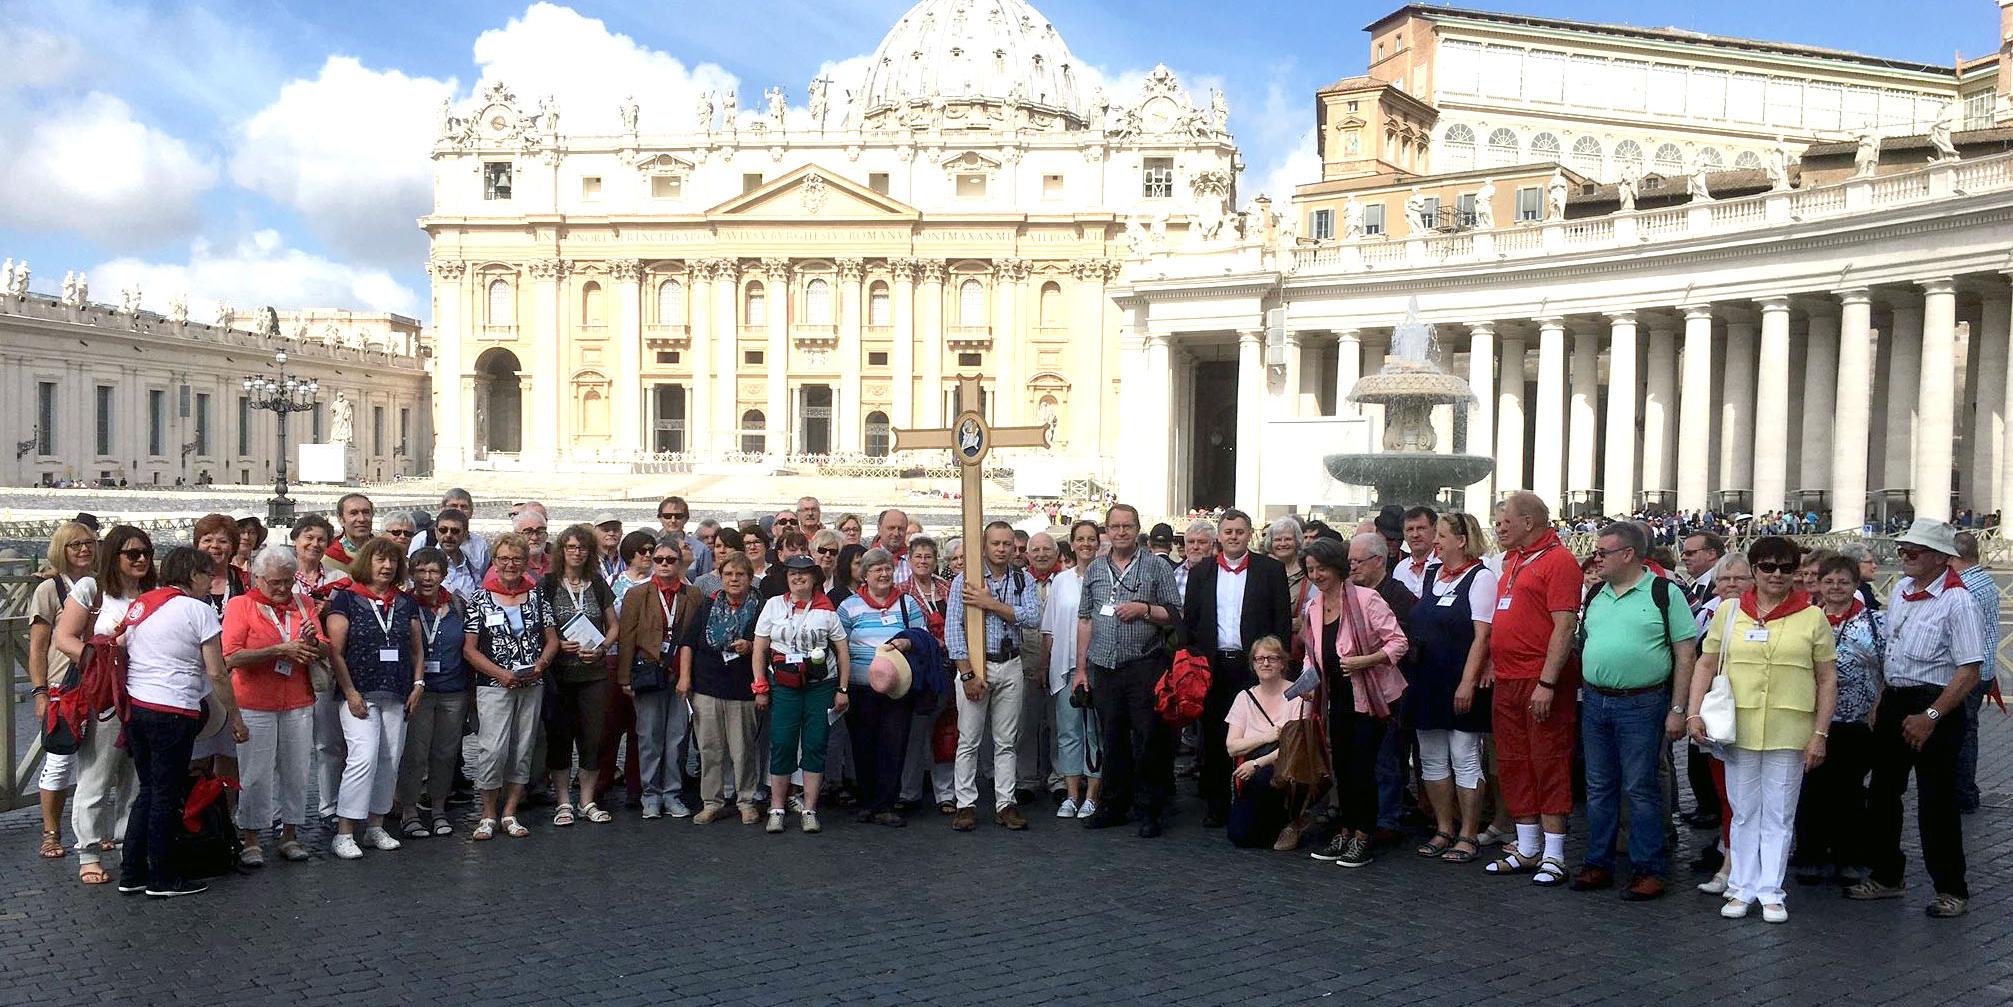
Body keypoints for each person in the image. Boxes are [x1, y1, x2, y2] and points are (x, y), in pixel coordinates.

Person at [1687, 536, 1836, 923]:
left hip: (1791, 727)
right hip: (1740, 725)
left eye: (1786, 568)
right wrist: (1693, 712)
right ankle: (1741, 886)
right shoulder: (1730, 611)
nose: (1777, 575)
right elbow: (1706, 664)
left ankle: (1771, 889)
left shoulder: (1812, 616)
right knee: (1743, 811)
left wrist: (1820, 733)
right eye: (1768, 567)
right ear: (1754, 570)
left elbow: (1827, 679)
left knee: (1779, 814)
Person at [1849, 519, 1986, 919]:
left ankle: (1951, 888)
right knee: (1883, 793)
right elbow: (1892, 653)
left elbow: (1969, 670)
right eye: (1904, 550)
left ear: (1941, 559)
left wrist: (1930, 715)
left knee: (1936, 801)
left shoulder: (1958, 602)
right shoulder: (1905, 591)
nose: (1904, 557)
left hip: (1936, 703)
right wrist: (1880, 701)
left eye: (1914, 552)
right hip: (1895, 698)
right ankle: (1888, 875)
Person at [106, 547, 247, 896]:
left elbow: (121, 646)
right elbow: (216, 672)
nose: (210, 582)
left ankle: (132, 872)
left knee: (149, 791)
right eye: (207, 575)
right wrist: (235, 715)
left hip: (138, 706)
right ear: (194, 575)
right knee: (166, 795)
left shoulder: (142, 605)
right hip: (174, 709)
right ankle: (164, 876)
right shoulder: (198, 611)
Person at [1571, 521, 1698, 901]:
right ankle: (1598, 861)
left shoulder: (1664, 593)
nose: (1596, 559)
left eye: (1603, 553)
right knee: (1598, 786)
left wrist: (1678, 708)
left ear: (1627, 554)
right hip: (1596, 700)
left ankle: (1649, 867)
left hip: (1643, 702)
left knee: (1640, 787)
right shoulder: (1596, 594)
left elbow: (1685, 653)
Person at [1483, 490, 1583, 887]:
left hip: (1540, 681)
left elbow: (1564, 625)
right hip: (1507, 679)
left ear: (1528, 522)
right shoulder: (1512, 561)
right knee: (1513, 760)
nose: (1499, 527)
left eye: (1505, 520)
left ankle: (1555, 854)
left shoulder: (1558, 560)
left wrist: (1547, 680)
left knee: (1548, 760)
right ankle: (1526, 847)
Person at [1073, 504, 1182, 838]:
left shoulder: (1155, 567)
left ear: (1138, 530)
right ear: (1107, 531)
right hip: (1105, 667)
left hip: (1144, 665)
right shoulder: (1094, 570)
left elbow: (1174, 613)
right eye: (1115, 527)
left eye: (1128, 526)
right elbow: (1086, 619)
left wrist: (1145, 609)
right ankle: (1113, 805)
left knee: (1148, 738)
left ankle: (1149, 808)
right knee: (1112, 737)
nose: (1121, 532)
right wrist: (1081, 670)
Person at [1300, 537, 1409, 869]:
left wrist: (1366, 660)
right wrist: (1308, 681)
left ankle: (1363, 835)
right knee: (1343, 768)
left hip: (1372, 698)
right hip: (1336, 698)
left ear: (1338, 568)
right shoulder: (1314, 607)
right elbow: (1311, 653)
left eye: (1322, 569)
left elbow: (1398, 643)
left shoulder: (1367, 599)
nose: (1317, 576)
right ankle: (1345, 830)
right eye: (1311, 570)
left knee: (1363, 769)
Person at [51, 524, 151, 886]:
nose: (141, 559)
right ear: (114, 556)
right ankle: (89, 851)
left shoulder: (154, 593)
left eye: (146, 553)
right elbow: (63, 638)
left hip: (145, 694)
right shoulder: (91, 589)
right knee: (96, 774)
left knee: (137, 777)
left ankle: (129, 844)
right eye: (132, 553)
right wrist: (101, 663)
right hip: (104, 696)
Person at [1182, 508, 1292, 829]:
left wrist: (1276, 667)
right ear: (1220, 535)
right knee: (1215, 739)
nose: (1233, 537)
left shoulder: (1270, 570)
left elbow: (1281, 622)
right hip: (1214, 668)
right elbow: (1192, 620)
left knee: (1258, 737)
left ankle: (1253, 803)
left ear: (1249, 534)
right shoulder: (1201, 572)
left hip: (1254, 668)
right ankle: (1217, 805)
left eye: (1239, 531)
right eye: (1228, 531)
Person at [1404, 512, 1498, 865]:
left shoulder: (1480, 578)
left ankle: (1468, 832)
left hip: (1459, 680)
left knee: (1465, 756)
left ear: (1461, 540)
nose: (1436, 541)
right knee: (1431, 758)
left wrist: (1468, 682)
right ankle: (1444, 826)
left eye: (1441, 535)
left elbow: (1482, 635)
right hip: (1426, 679)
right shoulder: (1432, 574)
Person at [323, 538, 424, 860]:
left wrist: (418, 683)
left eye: (393, 561)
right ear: (368, 561)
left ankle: (376, 825)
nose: (387, 566)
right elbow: (335, 652)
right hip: (360, 692)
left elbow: (416, 648)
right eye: (380, 560)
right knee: (362, 757)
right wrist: (350, 692)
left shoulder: (405, 602)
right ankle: (345, 831)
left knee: (389, 758)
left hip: (397, 691)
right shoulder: (347, 600)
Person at [224, 544, 322, 865]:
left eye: (287, 581)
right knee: (255, 771)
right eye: (274, 582)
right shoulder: (241, 606)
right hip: (254, 700)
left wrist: (310, 644)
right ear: (257, 578)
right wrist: (280, 650)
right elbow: (232, 656)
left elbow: (322, 648)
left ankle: (290, 834)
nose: (282, 589)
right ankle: (251, 836)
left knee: (296, 770)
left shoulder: (303, 602)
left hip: (297, 698)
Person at [946, 522, 1043, 831]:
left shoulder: (1022, 579)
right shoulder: (965, 580)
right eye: (996, 544)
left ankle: (1005, 802)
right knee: (969, 740)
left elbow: (1032, 617)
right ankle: (965, 803)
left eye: (1007, 544)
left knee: (1006, 741)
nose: (1001, 549)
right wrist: (967, 674)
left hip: (1010, 663)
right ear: (984, 546)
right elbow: (954, 631)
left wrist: (992, 605)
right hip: (977, 664)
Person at [463, 532, 559, 840]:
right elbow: (469, 649)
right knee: (492, 749)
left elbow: (552, 640)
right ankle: (488, 813)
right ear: (494, 562)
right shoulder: (480, 599)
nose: (510, 565)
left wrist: (541, 666)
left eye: (517, 558)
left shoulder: (537, 596)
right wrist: (500, 673)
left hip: (532, 682)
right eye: (503, 558)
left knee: (523, 748)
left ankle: (510, 812)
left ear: (525, 562)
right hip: (494, 685)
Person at [1797, 553, 1884, 886]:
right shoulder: (1806, 619)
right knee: (1812, 789)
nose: (1835, 588)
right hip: (1812, 716)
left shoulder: (1875, 622)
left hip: (1857, 719)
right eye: (1828, 581)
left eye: (1843, 582)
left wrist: (1879, 704)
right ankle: (1811, 855)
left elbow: (1887, 670)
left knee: (1849, 791)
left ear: (1855, 585)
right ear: (1818, 584)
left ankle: (1850, 856)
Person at [752, 555, 851, 834]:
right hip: (784, 685)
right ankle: (777, 808)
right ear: (786, 578)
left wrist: (843, 688)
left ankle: (809, 809)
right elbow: (759, 648)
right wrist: (760, 685)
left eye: (804, 574)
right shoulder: (773, 605)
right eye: (793, 574)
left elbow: (842, 650)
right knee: (782, 743)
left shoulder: (826, 609)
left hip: (820, 687)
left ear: (814, 578)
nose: (798, 578)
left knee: (815, 743)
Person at [614, 533, 703, 820]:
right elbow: (626, 637)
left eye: (670, 560)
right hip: (647, 672)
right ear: (652, 562)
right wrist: (624, 677)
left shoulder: (693, 595)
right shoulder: (637, 594)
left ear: (680, 563)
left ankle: (673, 793)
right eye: (659, 560)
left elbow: (697, 638)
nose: (664, 564)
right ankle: (650, 794)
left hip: (680, 673)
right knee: (648, 736)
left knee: (677, 737)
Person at [838, 548, 928, 825]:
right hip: (860, 688)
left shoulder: (907, 603)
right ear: (865, 575)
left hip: (896, 689)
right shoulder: (849, 607)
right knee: (863, 746)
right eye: (877, 569)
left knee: (893, 745)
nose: (884, 573)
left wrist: (906, 642)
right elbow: (838, 646)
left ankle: (886, 803)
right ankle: (868, 801)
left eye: (887, 568)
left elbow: (922, 637)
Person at [538, 524, 618, 826]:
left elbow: (614, 626)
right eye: (570, 547)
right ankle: (562, 802)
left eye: (582, 547)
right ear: (561, 551)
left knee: (593, 738)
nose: (576, 552)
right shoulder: (546, 585)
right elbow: (539, 628)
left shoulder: (597, 584)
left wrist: (601, 648)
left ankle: (586, 800)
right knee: (559, 738)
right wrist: (558, 644)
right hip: (559, 675)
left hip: (593, 674)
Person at [27, 522, 96, 860]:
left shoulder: (102, 582)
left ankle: (91, 831)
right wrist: (39, 692)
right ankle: (51, 833)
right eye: (75, 545)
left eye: (89, 543)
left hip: (99, 683)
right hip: (63, 684)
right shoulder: (49, 589)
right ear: (61, 550)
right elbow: (37, 648)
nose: (84, 549)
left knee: (96, 760)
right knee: (58, 759)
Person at [683, 552, 764, 824]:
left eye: (740, 574)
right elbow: (688, 643)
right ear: (720, 576)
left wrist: (751, 646)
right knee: (710, 748)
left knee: (743, 750)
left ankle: (746, 801)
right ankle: (711, 801)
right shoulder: (707, 606)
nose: (734, 579)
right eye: (728, 574)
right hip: (706, 686)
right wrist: (685, 678)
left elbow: (770, 644)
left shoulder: (761, 607)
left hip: (742, 688)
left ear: (750, 578)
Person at [395, 548, 469, 839]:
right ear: (412, 573)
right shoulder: (403, 605)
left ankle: (438, 807)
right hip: (418, 692)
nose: (427, 577)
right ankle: (409, 810)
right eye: (421, 571)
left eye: (434, 571)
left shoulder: (458, 605)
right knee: (415, 753)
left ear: (444, 574)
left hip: (453, 690)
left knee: (445, 753)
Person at [1225, 636, 1309, 849]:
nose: (1265, 663)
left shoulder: (1297, 695)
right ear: (1253, 665)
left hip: (1283, 768)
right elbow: (1232, 746)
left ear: (1283, 663)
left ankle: (1291, 820)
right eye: (1259, 658)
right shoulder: (1244, 698)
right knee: (1239, 836)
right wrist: (1267, 736)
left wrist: (1257, 763)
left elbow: (1295, 746)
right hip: (1250, 772)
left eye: (1272, 658)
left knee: (1264, 777)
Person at [1045, 520, 1103, 819]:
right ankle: (1071, 794)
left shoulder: (1107, 575)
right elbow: (1049, 628)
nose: (1086, 544)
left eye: (1091, 539)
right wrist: (1045, 666)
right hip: (1066, 666)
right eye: (1080, 539)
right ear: (1072, 542)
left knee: (1095, 732)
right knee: (1068, 732)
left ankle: (1093, 794)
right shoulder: (1061, 581)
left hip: (1099, 666)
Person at [899, 535, 956, 813]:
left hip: (948, 667)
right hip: (919, 670)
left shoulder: (948, 587)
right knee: (915, 731)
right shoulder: (901, 592)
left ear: (936, 560)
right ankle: (908, 792)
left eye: (928, 557)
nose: (923, 561)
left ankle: (946, 794)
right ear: (909, 561)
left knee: (946, 730)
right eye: (918, 557)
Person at [1949, 531, 1997, 815]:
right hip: (1983, 669)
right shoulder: (1984, 580)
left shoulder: (1966, 587)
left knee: (1962, 733)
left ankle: (1962, 791)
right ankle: (1965, 789)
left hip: (1969, 671)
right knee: (1968, 731)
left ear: (1955, 557)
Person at [427, 508, 483, 601]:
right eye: (443, 530)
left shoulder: (471, 565)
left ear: (465, 535)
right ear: (436, 532)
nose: (448, 535)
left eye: (455, 531)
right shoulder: (425, 564)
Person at [657, 495, 713, 579]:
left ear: (686, 519)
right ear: (660, 518)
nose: (673, 520)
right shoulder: (653, 546)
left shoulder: (701, 550)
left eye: (678, 516)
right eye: (667, 516)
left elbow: (705, 583)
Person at [1393, 506, 1439, 598]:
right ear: (1404, 534)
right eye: (1410, 529)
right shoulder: (1400, 569)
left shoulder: (1445, 565)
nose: (1415, 535)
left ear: (1435, 530)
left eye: (1421, 528)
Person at [324, 492, 375, 573]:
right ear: (341, 519)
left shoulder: (385, 552)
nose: (361, 519)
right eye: (353, 513)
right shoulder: (329, 559)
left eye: (366, 512)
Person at [1174, 520, 1215, 600]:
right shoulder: (1175, 574)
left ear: (1212, 545)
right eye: (1191, 542)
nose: (1195, 547)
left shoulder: (1221, 574)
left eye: (1202, 542)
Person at [594, 514, 626, 583]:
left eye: (616, 530)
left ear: (621, 532)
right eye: (606, 530)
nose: (611, 533)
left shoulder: (628, 558)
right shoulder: (587, 559)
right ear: (594, 533)